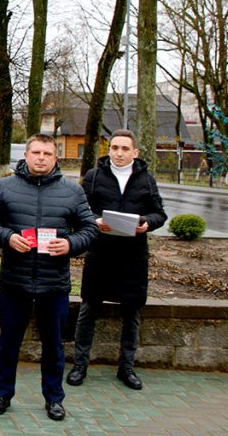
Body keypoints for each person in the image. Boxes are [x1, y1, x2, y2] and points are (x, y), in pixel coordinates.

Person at [0, 133, 98, 421]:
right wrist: (8, 238)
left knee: (53, 344)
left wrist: (70, 245)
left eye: (47, 153)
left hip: (53, 283)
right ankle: (1, 394)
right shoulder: (5, 187)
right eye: (36, 153)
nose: (41, 158)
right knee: (9, 341)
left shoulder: (72, 191)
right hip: (14, 280)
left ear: (55, 158)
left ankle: (54, 398)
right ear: (26, 156)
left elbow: (90, 230)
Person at [67, 129, 168, 391]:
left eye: (125, 149)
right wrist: (94, 221)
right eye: (114, 148)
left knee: (132, 312)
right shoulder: (94, 176)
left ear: (135, 152)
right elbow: (79, 210)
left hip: (133, 256)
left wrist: (147, 223)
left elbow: (159, 214)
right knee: (88, 309)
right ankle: (80, 365)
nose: (119, 153)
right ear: (108, 150)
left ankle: (127, 367)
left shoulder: (146, 179)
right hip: (100, 253)